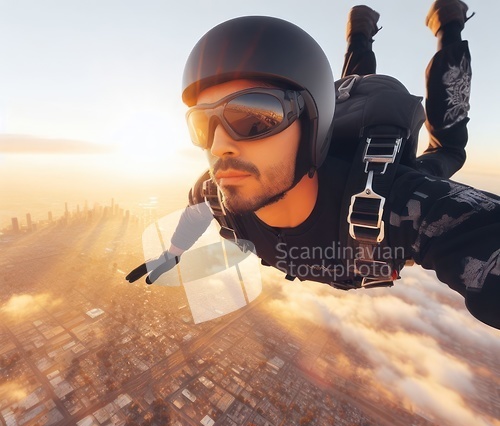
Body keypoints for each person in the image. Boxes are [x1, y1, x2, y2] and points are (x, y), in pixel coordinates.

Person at [126, 1, 500, 330]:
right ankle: (361, 31)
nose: (219, 145)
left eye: (254, 117)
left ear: (310, 131)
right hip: (335, 107)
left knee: (449, 150)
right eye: (201, 123)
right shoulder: (218, 193)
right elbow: (195, 210)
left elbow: (479, 232)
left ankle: (448, 25)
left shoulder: (401, 208)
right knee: (347, 84)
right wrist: (172, 253)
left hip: (378, 135)